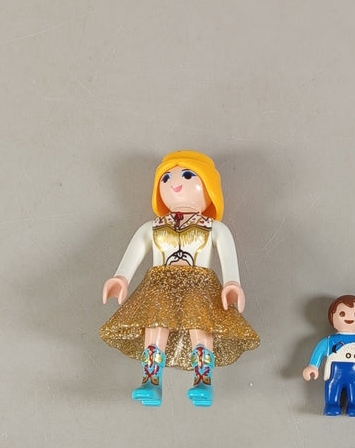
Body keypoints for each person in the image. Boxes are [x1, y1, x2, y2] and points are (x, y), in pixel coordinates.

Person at [100, 151, 260, 407]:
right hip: (158, 285)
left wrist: (232, 282)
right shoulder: (152, 227)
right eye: (165, 178)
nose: (175, 183)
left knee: (201, 325)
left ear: (209, 186)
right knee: (155, 323)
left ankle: (203, 380)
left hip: (200, 285)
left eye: (187, 175)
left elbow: (228, 255)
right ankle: (151, 380)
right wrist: (121, 277)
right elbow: (136, 251)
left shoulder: (214, 228)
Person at [302, 295, 355, 416]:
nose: (349, 318)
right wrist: (313, 366)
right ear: (332, 317)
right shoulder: (329, 341)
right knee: (332, 386)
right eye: (342, 314)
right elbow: (319, 352)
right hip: (334, 372)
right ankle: (331, 404)